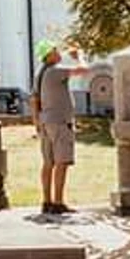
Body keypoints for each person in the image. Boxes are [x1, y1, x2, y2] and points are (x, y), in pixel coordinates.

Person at [30, 39, 90, 215]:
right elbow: (84, 70)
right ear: (48, 55)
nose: (58, 53)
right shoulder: (56, 71)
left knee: (48, 163)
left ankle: (46, 201)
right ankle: (58, 202)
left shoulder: (40, 73)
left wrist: (36, 121)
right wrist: (79, 56)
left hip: (45, 121)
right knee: (62, 162)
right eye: (55, 50)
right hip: (60, 122)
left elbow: (34, 99)